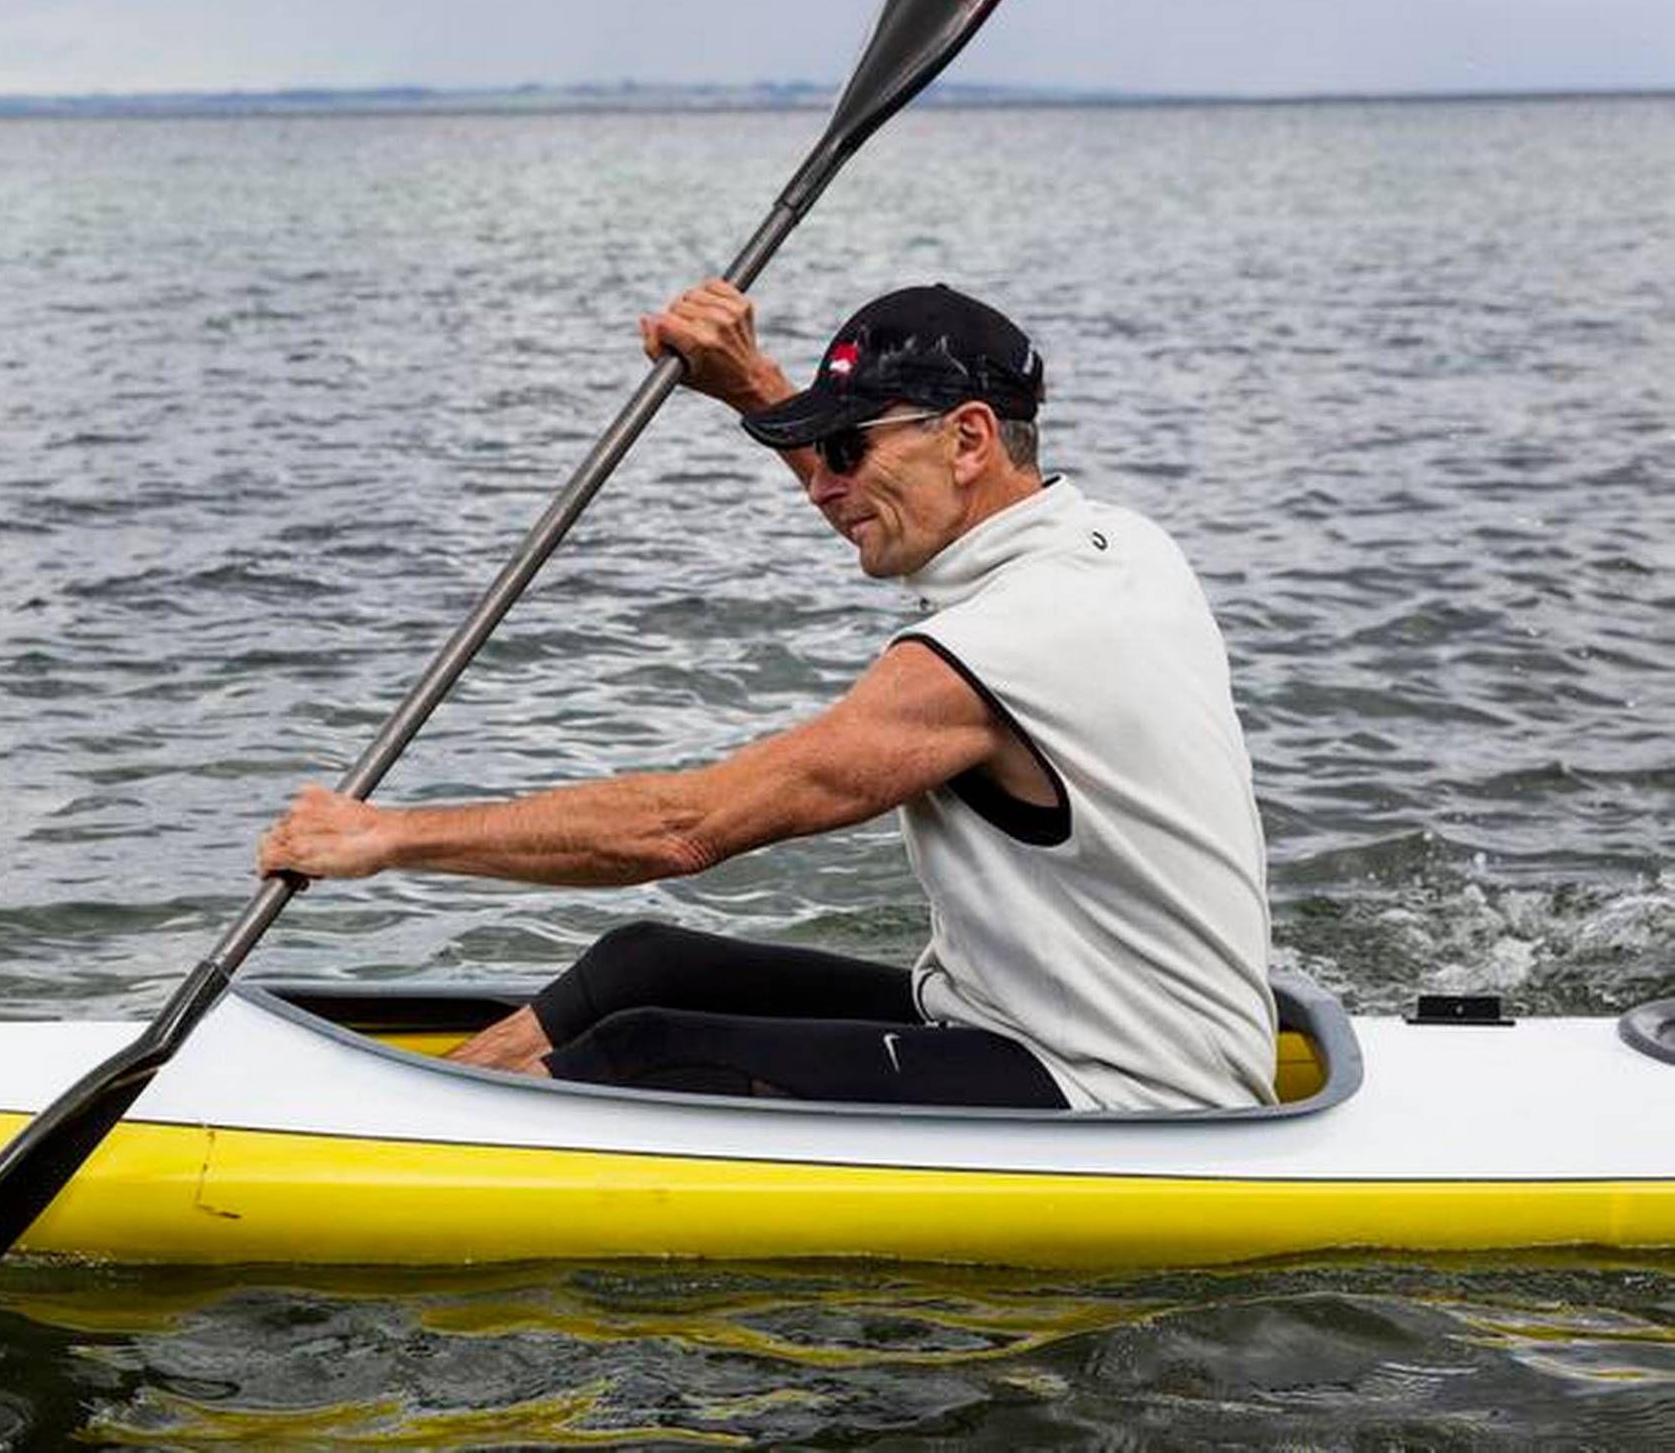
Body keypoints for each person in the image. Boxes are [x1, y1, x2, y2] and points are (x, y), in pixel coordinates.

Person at [257, 279, 1276, 1112]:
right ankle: (418, 1111)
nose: (827, 488)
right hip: (1017, 1017)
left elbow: (680, 832)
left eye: (849, 449)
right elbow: (884, 510)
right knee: (639, 966)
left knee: (650, 1050)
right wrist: (752, 385)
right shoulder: (1116, 545)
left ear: (967, 440)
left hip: (1124, 1088)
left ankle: (382, 1141)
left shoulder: (1003, 647)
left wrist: (382, 837)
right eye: (819, 454)